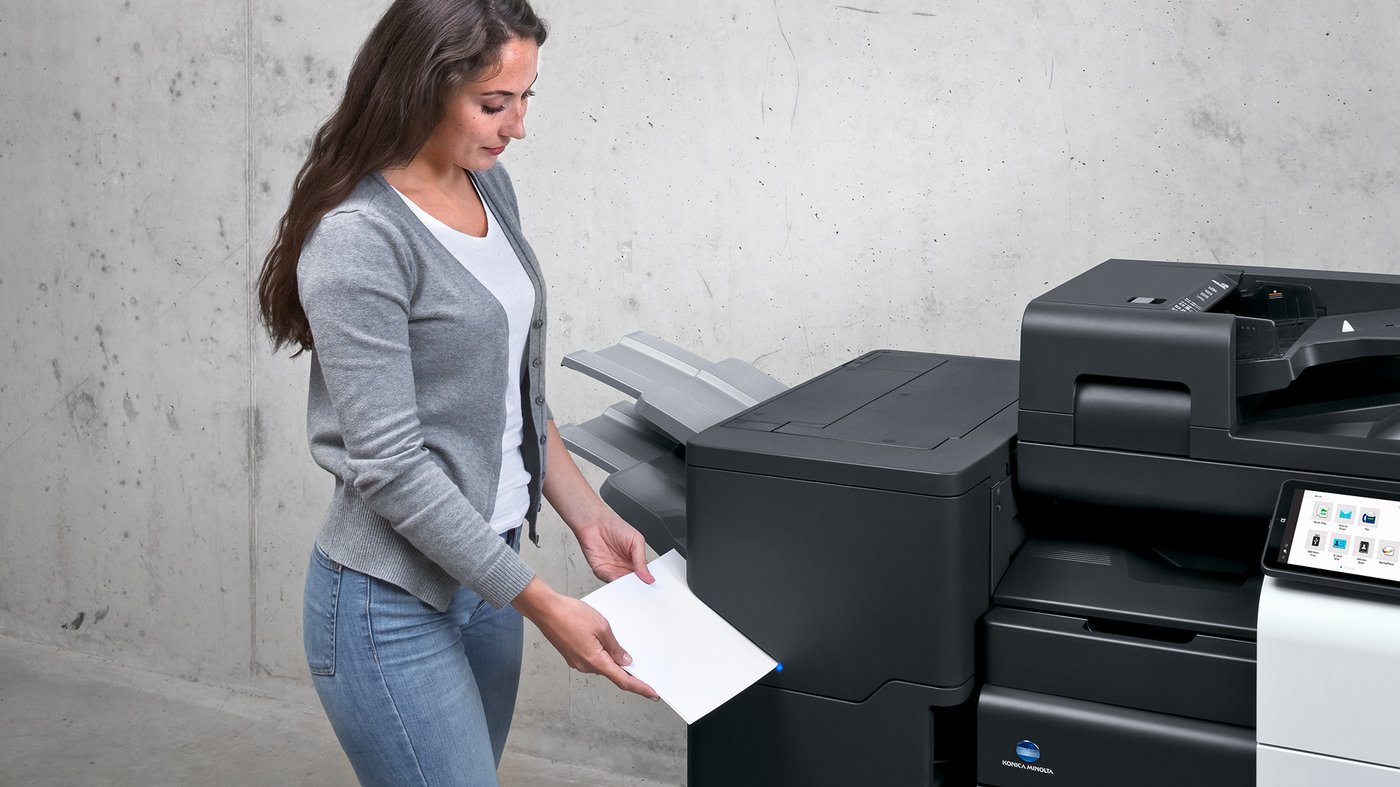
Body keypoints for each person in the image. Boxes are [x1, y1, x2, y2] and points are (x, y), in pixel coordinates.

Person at [255, 1, 658, 783]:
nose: (517, 127)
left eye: (526, 97)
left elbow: (512, 391)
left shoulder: (487, 189)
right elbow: (392, 467)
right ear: (419, 87)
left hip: (487, 576)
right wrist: (541, 601)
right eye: (493, 103)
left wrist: (589, 515)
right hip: (389, 604)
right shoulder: (358, 238)